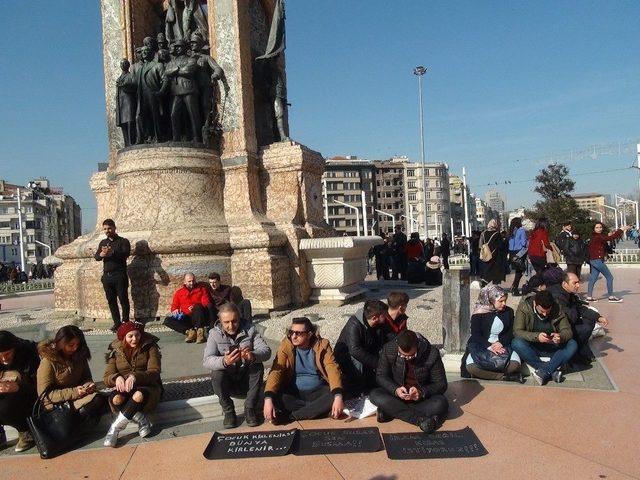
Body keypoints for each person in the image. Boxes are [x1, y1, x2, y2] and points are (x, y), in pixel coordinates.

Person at [203, 303, 271, 428]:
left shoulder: (250, 330)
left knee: (257, 366)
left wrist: (252, 355)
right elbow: (207, 360)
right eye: (226, 322)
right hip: (227, 382)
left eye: (234, 321)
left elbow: (266, 351)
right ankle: (228, 411)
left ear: (239, 318)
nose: (231, 326)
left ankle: (250, 408)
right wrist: (224, 361)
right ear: (220, 321)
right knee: (216, 372)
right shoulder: (214, 334)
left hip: (246, 379)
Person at [263, 317, 343, 423]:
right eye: (291, 332)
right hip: (294, 392)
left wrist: (338, 396)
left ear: (309, 334)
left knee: (336, 395)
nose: (294, 336)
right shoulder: (286, 345)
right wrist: (268, 399)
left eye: (298, 333)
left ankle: (292, 416)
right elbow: (277, 370)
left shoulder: (322, 345)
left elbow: (332, 367)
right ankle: (315, 411)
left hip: (317, 391)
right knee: (268, 395)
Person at [370, 330, 448, 433]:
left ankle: (392, 411)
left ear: (418, 346)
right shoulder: (389, 349)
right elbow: (381, 376)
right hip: (397, 395)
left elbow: (441, 384)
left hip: (421, 398)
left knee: (440, 404)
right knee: (375, 395)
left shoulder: (432, 353)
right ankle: (420, 419)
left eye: (411, 355)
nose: (407, 358)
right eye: (402, 355)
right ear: (398, 346)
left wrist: (421, 392)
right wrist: (395, 389)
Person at [103, 321, 162, 447]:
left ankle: (115, 428)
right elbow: (107, 377)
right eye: (130, 336)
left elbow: (154, 372)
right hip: (124, 388)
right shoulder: (116, 351)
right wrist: (116, 378)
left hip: (147, 386)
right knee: (116, 399)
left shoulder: (150, 346)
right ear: (124, 337)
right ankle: (141, 418)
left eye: (137, 335)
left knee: (138, 395)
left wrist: (135, 377)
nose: (135, 339)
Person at [37, 326, 106, 425]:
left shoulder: (80, 355)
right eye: (71, 345)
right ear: (61, 343)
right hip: (57, 403)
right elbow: (45, 395)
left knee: (101, 399)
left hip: (77, 397)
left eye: (77, 344)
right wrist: (75, 392)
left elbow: (86, 377)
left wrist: (88, 386)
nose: (75, 348)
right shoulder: (48, 362)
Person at [511, 290, 577, 385]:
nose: (545, 314)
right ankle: (551, 370)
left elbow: (567, 331)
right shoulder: (524, 307)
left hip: (553, 347)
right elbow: (517, 331)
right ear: (535, 304)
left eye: (548, 311)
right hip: (532, 347)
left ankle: (544, 372)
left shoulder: (557, 307)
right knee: (516, 343)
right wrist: (537, 337)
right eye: (542, 311)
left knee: (572, 344)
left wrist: (560, 337)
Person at [461, 285, 523, 382]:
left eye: (505, 300)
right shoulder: (478, 313)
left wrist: (500, 343)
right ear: (490, 300)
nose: (504, 304)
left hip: (501, 345)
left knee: (515, 364)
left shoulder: (509, 312)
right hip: (482, 345)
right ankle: (504, 377)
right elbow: (475, 334)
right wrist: (490, 346)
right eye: (500, 301)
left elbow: (511, 331)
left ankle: (489, 375)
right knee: (471, 367)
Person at [549, 272, 608, 364]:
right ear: (564, 284)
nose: (578, 285)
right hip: (558, 328)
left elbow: (580, 308)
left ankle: (580, 348)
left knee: (590, 320)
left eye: (578, 282)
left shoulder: (568, 293)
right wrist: (575, 307)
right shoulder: (558, 296)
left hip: (568, 323)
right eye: (574, 283)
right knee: (585, 327)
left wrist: (598, 317)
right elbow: (570, 317)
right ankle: (575, 352)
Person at [334, 300, 387, 397]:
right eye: (384, 315)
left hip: (365, 350)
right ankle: (359, 390)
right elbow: (355, 350)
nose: (386, 317)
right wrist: (378, 363)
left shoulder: (378, 325)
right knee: (358, 365)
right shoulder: (354, 324)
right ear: (375, 318)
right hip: (347, 355)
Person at [0, 331, 39, 452]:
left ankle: (26, 430)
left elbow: (40, 388)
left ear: (15, 349)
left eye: (7, 354)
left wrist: (19, 387)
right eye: (0, 355)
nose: (4, 358)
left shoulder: (29, 355)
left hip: (27, 397)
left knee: (5, 407)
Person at [94, 219, 131, 331]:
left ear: (114, 228)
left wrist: (112, 252)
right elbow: (96, 257)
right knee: (111, 300)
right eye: (105, 229)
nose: (107, 231)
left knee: (123, 299)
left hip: (119, 275)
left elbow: (126, 254)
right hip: (107, 276)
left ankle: (125, 321)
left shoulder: (123, 241)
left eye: (109, 228)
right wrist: (102, 254)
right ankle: (117, 322)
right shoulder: (103, 243)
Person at [586, 222, 629, 302]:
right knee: (610, 277)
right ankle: (611, 297)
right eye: (597, 227)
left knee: (593, 279)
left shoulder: (595, 237)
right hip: (597, 261)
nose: (599, 229)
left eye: (600, 227)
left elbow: (604, 245)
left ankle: (589, 297)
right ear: (594, 229)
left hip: (594, 260)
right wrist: (621, 230)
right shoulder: (597, 237)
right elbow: (611, 238)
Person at [164, 273, 211, 343]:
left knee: (197, 307)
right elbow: (174, 306)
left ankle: (200, 332)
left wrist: (195, 306)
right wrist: (175, 310)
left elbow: (206, 302)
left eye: (193, 281)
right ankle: (190, 332)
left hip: (198, 316)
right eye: (189, 281)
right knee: (167, 320)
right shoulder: (179, 293)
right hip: (186, 317)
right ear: (185, 282)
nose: (192, 283)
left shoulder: (202, 289)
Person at [479, 219, 505, 285]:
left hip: (486, 255)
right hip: (496, 255)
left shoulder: (483, 233)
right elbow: (501, 245)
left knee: (487, 269)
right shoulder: (497, 234)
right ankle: (495, 286)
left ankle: (484, 282)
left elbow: (480, 245)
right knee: (496, 271)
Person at [507, 217, 528, 296]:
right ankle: (514, 288)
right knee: (520, 271)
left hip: (512, 252)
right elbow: (523, 243)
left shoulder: (511, 231)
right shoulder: (521, 230)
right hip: (519, 252)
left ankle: (514, 287)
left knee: (518, 271)